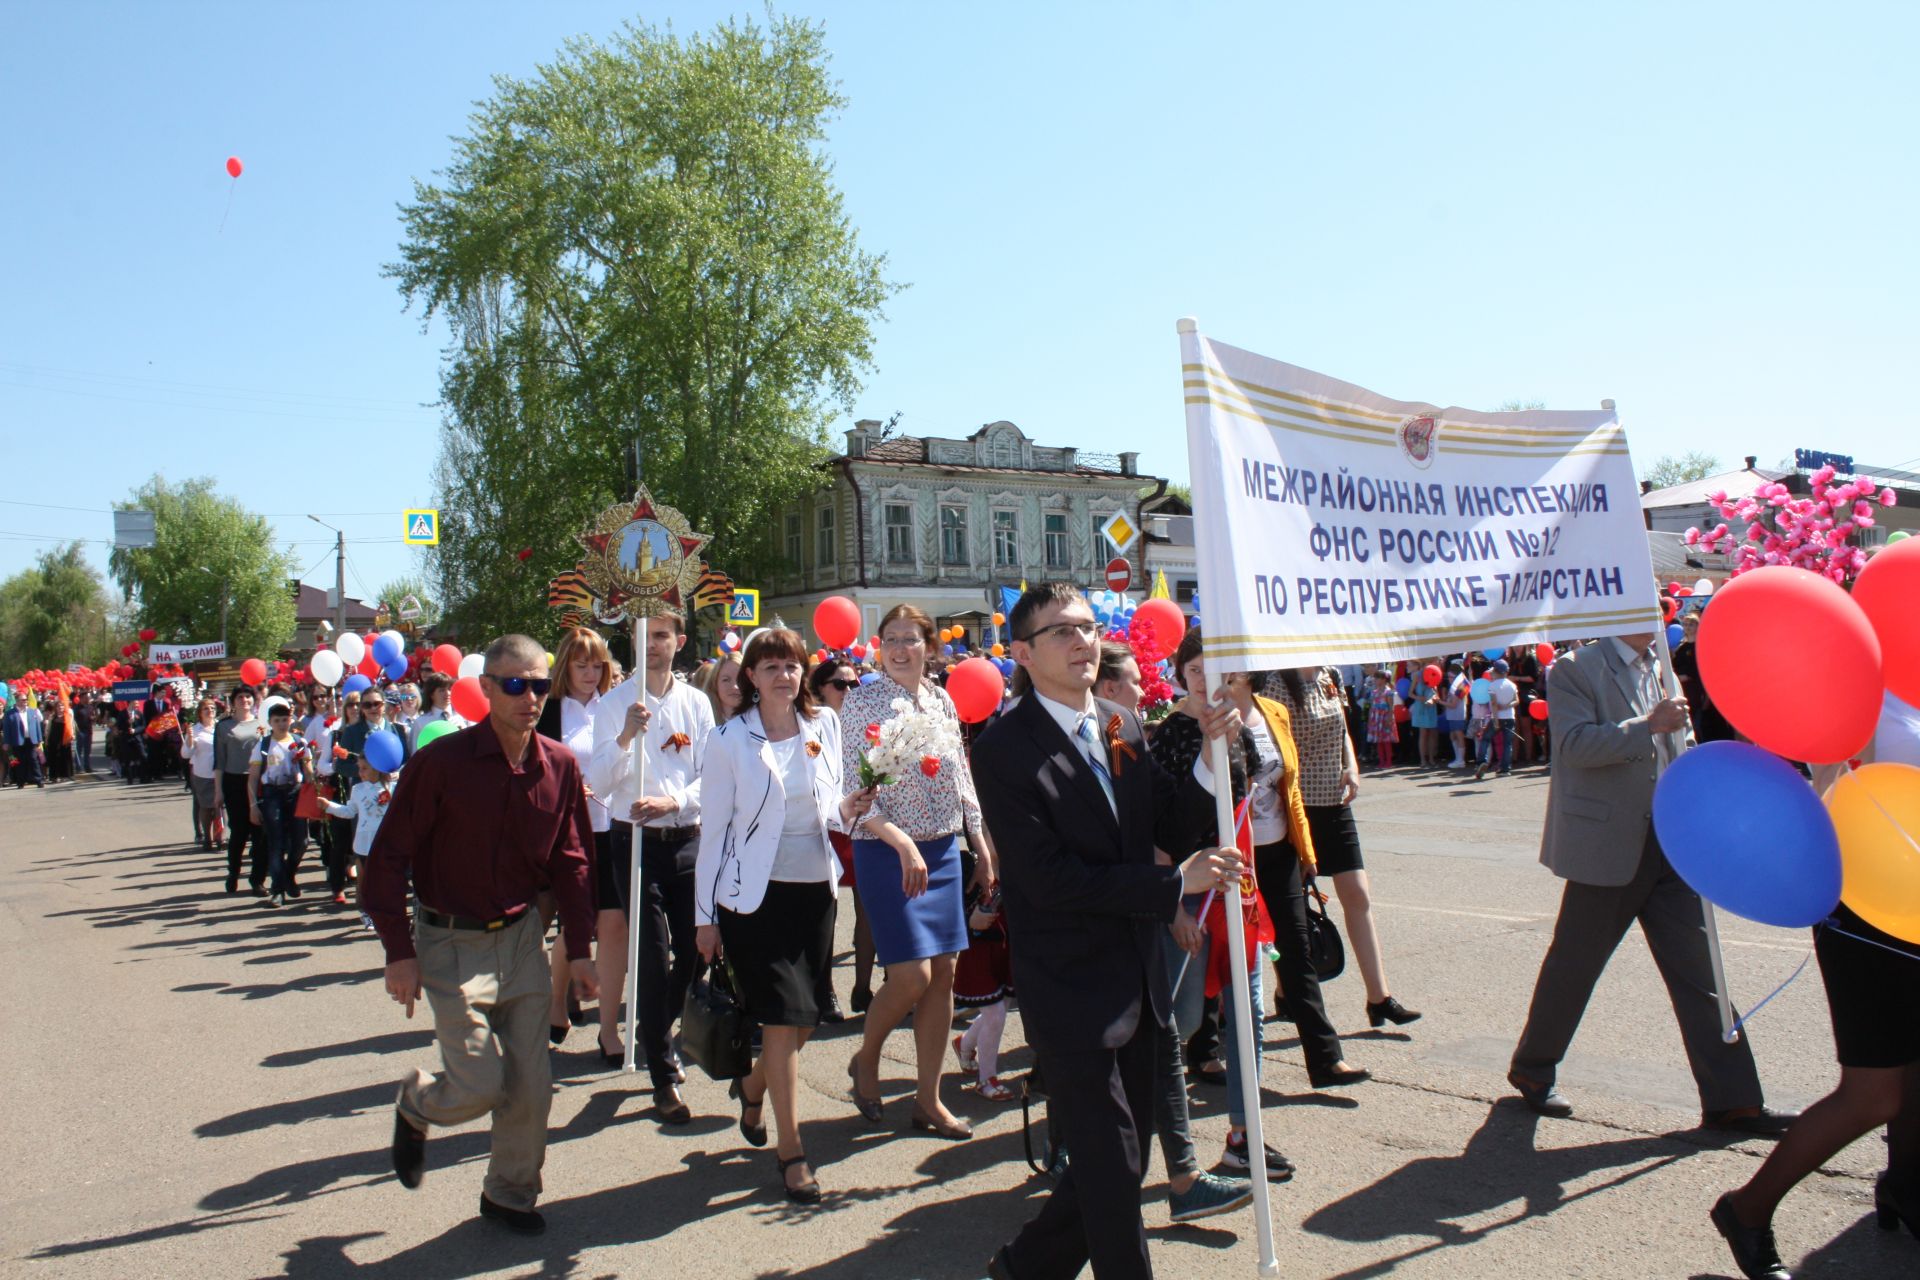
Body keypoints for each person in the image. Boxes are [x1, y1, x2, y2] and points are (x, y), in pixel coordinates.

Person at [975, 582, 1247, 1280]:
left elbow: (1170, 819)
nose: (1082, 642)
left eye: (1089, 628)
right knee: (1111, 1167)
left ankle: (1021, 1270)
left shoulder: (1122, 724)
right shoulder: (1005, 747)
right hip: (1070, 989)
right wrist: (1170, 886)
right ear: (1023, 653)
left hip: (1138, 980)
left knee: (1114, 1165)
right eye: (1062, 631)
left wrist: (1212, 757)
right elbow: (1046, 879)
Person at [1507, 630, 1795, 1138]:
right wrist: (1649, 724)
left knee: (1703, 974)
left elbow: (1676, 745)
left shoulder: (1657, 664)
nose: (1660, 622)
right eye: (1649, 610)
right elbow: (1574, 746)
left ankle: (1734, 1102)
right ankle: (1533, 1067)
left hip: (1671, 841)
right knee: (1574, 967)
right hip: (1610, 846)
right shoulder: (1575, 667)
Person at [368, 634, 598, 1238]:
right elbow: (387, 858)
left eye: (540, 686)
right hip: (449, 942)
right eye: (516, 685)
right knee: (478, 1082)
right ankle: (418, 1101)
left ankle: (509, 1194)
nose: (530, 698)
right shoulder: (441, 764)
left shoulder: (561, 765)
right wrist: (399, 952)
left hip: (522, 938)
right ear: (487, 689)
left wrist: (580, 950)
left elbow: (573, 860)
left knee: (532, 1086)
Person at [694, 628, 877, 1204]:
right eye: (769, 666)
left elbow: (832, 807)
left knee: (802, 1021)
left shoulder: (824, 725)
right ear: (750, 677)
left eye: (792, 665)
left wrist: (853, 808)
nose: (783, 676)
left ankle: (752, 1087)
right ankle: (791, 1152)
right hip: (753, 897)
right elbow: (713, 834)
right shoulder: (728, 739)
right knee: (781, 1017)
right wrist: (705, 918)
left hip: (813, 892)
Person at [1093, 639, 1253, 1222]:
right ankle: (1079, 1161)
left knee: (1166, 1036)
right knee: (1105, 1050)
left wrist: (1217, 750)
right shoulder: (1030, 741)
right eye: (1135, 681)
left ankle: (1185, 1176)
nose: (1146, 690)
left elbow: (1178, 817)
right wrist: (1174, 904)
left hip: (1182, 896)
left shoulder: (1132, 732)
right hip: (1100, 925)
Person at [841, 604, 995, 1141]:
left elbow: (961, 774)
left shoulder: (942, 698)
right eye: (891, 639)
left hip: (943, 849)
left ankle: (928, 1100)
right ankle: (867, 1058)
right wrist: (902, 843)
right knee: (911, 976)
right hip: (886, 849)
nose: (901, 649)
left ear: (930, 647)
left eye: (911, 639)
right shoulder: (862, 700)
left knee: (944, 977)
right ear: (878, 646)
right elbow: (855, 793)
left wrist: (978, 835)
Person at [588, 612, 715, 1121]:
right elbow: (596, 779)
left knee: (693, 952)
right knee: (651, 952)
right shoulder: (615, 703)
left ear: (679, 642)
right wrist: (623, 738)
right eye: (644, 636)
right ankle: (663, 1075)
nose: (653, 645)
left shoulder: (696, 703)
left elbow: (712, 776)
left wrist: (677, 803)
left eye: (662, 636)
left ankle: (656, 1028)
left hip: (686, 839)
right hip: (634, 841)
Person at [1224, 667, 1367, 1091]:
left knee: (1296, 949)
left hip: (1279, 849)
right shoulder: (1210, 716)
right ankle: (1204, 1051)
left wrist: (1304, 851)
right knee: (1229, 953)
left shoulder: (1272, 710)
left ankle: (1326, 1059)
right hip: (1234, 855)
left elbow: (1292, 787)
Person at [1264, 667, 1421, 1030]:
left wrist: (1351, 766)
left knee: (1358, 894)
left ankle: (1379, 998)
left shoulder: (1329, 675)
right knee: (1293, 909)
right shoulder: (1275, 682)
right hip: (1294, 806)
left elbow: (1343, 731)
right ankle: (1286, 989)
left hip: (1335, 802)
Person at [535, 627, 614, 1049]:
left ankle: (588, 1004)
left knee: (603, 920)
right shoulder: (549, 710)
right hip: (563, 833)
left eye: (597, 664)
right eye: (582, 664)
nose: (589, 672)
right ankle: (554, 1002)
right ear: (566, 666)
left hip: (610, 826)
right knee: (572, 918)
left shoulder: (615, 705)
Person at [807, 658, 868, 1021]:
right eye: (839, 684)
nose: (848, 691)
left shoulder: (869, 721)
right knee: (824, 912)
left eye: (853, 684)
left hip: (864, 821)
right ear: (820, 689)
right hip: (825, 822)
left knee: (869, 907)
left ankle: (863, 987)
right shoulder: (809, 724)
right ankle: (824, 990)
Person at [248, 701, 315, 907]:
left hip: (295, 792)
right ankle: (278, 890)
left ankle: (289, 874)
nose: (281, 724)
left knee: (301, 842)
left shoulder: (299, 741)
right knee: (276, 843)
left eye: (285, 720)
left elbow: (309, 773)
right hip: (272, 794)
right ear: (270, 722)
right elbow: (253, 778)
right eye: (277, 721)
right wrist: (253, 805)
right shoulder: (263, 745)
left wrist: (314, 789)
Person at [322, 754, 395, 932]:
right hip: (363, 844)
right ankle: (366, 912)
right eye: (359, 768)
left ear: (377, 768)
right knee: (365, 883)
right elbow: (349, 811)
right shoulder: (357, 789)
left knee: (385, 882)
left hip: (385, 844)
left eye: (364, 768)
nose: (360, 772)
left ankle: (385, 914)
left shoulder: (392, 787)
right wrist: (328, 806)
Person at [214, 689, 261, 894]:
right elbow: (220, 761)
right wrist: (218, 790)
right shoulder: (224, 726)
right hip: (234, 781)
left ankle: (257, 879)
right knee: (239, 832)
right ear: (233, 702)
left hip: (257, 780)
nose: (245, 700)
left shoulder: (262, 724)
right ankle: (233, 872)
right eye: (240, 697)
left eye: (248, 697)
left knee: (260, 833)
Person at [185, 699, 221, 851]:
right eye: (206, 708)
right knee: (206, 807)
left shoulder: (221, 727)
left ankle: (220, 837)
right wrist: (190, 739)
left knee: (220, 806)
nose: (210, 711)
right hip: (203, 774)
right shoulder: (195, 730)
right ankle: (207, 837)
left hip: (220, 772)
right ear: (200, 712)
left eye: (212, 708)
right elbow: (186, 754)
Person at [1477, 659, 1519, 780]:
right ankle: (1505, 769)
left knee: (1485, 739)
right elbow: (1517, 700)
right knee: (1507, 743)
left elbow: (1494, 704)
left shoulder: (1492, 685)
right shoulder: (1512, 685)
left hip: (1498, 717)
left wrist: (1495, 719)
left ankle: (1481, 762)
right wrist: (1507, 705)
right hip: (1510, 717)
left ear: (1496, 671)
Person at [4, 695, 45, 789]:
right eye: (22, 700)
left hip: (31, 740)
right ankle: (20, 781)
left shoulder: (32, 711)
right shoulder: (10, 713)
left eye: (26, 699)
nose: (25, 701)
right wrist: (6, 742)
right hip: (17, 740)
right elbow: (7, 729)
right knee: (20, 762)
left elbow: (37, 726)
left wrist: (39, 739)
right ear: (17, 701)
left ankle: (39, 780)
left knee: (33, 759)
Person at [690, 654, 743, 725]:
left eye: (740, 679)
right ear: (715, 683)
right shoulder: (700, 720)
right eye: (726, 680)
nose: (735, 686)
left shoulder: (760, 723)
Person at [1364, 669, 1397, 770]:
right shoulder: (1374, 692)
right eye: (1375, 677)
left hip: (1385, 717)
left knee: (1386, 740)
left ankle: (1388, 762)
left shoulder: (1388, 692)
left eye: (1377, 678)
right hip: (1376, 717)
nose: (1375, 680)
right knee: (1379, 741)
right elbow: (1372, 706)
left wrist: (1390, 717)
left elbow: (1391, 706)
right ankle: (1381, 761)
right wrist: (1370, 718)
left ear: (1383, 679)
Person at [412, 673, 455, 750]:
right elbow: (415, 753)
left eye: (449, 689)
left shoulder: (461, 718)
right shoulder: (421, 722)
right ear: (431, 694)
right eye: (442, 690)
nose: (447, 693)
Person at [1441, 658, 1470, 769]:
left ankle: (1461, 760)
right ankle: (1458, 758)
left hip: (1458, 715)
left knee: (1458, 735)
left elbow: (1453, 704)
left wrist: (1439, 701)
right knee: (1453, 735)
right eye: (1448, 676)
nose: (1448, 679)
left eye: (1450, 676)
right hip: (1453, 715)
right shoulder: (1456, 684)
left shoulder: (1459, 685)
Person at [72, 695, 93, 775]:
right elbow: (73, 720)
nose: (87, 699)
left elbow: (93, 716)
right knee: (79, 749)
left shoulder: (90, 707)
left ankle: (87, 767)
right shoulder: (77, 708)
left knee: (87, 750)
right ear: (81, 699)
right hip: (80, 731)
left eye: (88, 698)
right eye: (85, 698)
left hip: (88, 730)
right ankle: (78, 767)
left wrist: (93, 718)